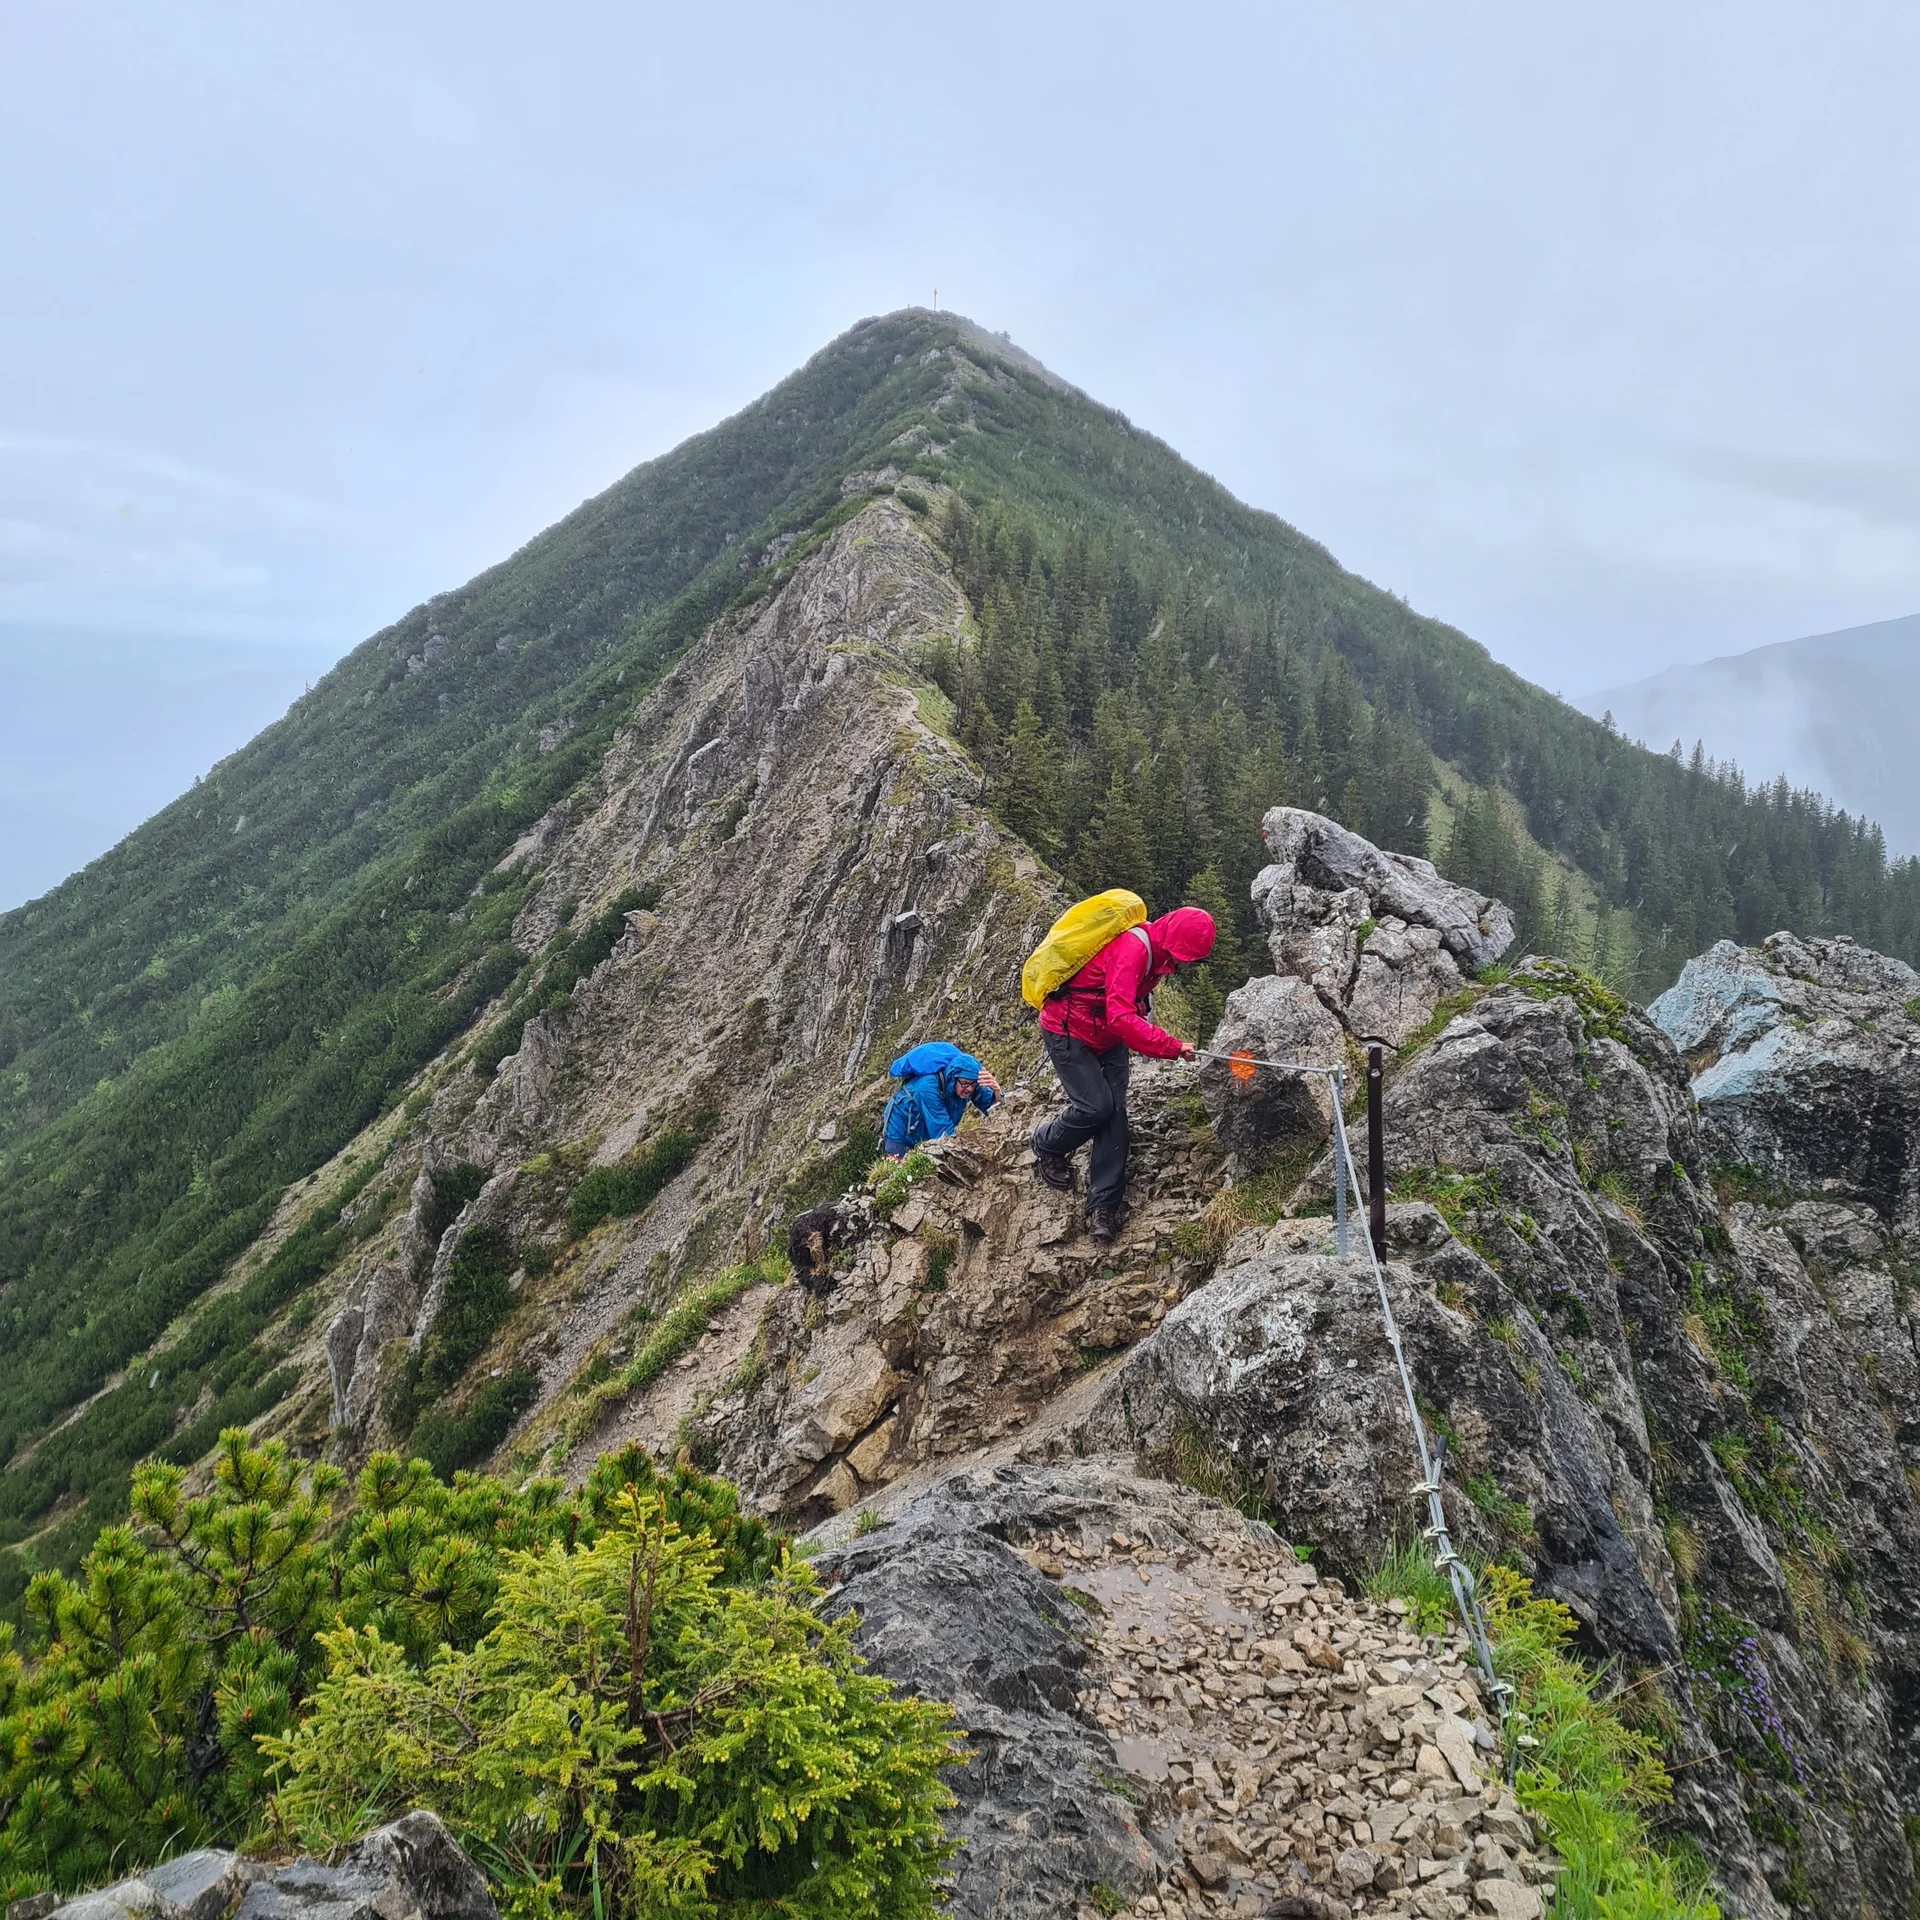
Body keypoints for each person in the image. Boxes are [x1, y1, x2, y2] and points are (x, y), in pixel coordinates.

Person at [1030, 905, 1216, 1242]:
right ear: (1174, 943)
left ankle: (1104, 1206)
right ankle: (1046, 1144)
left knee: (1115, 1115)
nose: (1184, 965)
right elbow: (1120, 1016)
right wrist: (1171, 1046)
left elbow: (1122, 1014)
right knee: (1095, 1107)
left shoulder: (1158, 957)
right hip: (1067, 1029)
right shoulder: (1133, 951)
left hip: (1106, 1035)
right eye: (1185, 957)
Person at [881, 1041, 1001, 1160]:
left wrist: (997, 1091)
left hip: (925, 1134)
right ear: (953, 1078)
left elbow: (996, 1109)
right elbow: (941, 1129)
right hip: (900, 1134)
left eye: (973, 1085)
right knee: (899, 1174)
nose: (969, 1089)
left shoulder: (968, 1079)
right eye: (965, 1084)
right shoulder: (927, 1088)